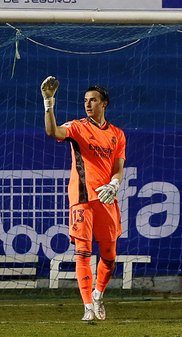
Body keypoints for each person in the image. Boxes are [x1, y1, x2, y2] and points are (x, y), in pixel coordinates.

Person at [41, 76, 125, 322]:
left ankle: (98, 294)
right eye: (85, 101)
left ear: (104, 104)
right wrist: (49, 103)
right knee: (83, 252)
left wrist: (115, 183)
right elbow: (52, 131)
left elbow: (119, 167)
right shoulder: (78, 127)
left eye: (93, 100)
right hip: (81, 199)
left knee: (109, 256)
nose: (88, 104)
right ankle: (88, 305)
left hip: (106, 199)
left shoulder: (117, 135)